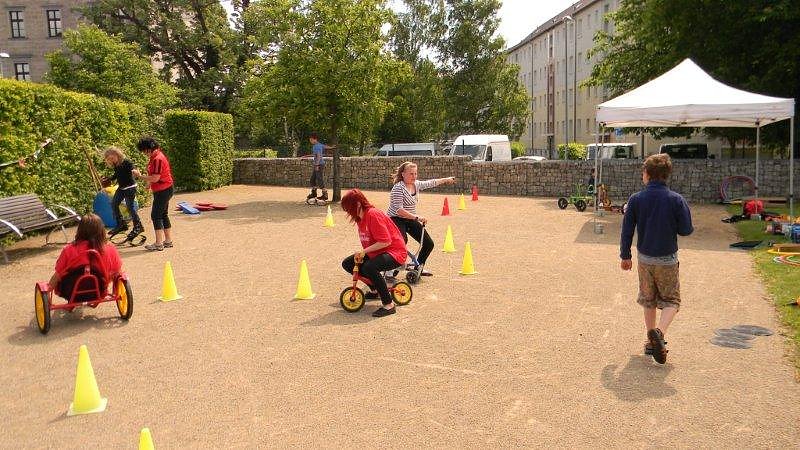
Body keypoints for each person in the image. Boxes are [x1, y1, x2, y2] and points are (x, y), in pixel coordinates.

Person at [620, 154, 693, 364]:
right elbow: (686, 230)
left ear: (647, 174)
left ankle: (651, 341)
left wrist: (625, 256)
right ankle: (659, 333)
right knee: (672, 300)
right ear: (666, 175)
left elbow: (627, 231)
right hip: (667, 259)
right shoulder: (676, 200)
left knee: (648, 299)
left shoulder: (636, 199)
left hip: (645, 259)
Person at [340, 189, 408, 318]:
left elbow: (386, 241)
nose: (347, 211)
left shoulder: (373, 214)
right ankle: (375, 288)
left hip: (395, 252)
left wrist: (363, 252)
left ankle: (389, 305)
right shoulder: (360, 218)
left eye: (348, 207)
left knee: (369, 267)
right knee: (348, 263)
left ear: (358, 204)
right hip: (378, 252)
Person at [387, 162, 455, 275]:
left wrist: (446, 179)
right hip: (395, 218)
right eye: (411, 174)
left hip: (410, 219)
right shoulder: (398, 188)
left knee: (428, 243)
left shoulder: (416, 184)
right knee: (402, 241)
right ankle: (390, 269)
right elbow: (399, 210)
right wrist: (417, 217)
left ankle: (417, 267)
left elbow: (430, 183)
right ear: (403, 174)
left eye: (415, 174)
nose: (414, 176)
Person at [49, 213, 122, 301]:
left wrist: (47, 290)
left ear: (80, 230)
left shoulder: (68, 249)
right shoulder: (110, 249)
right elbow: (117, 273)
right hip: (100, 290)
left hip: (70, 292)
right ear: (101, 230)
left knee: (60, 275)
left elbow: (58, 274)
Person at [132, 137, 174, 251]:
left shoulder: (158, 159)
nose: (144, 153)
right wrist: (148, 184)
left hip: (163, 190)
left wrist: (139, 176)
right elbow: (153, 174)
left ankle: (158, 243)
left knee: (156, 215)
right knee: (163, 214)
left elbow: (156, 178)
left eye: (144, 151)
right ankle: (168, 241)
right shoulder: (155, 156)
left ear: (149, 148)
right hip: (163, 189)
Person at [102, 146, 143, 241]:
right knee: (114, 204)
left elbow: (133, 169)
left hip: (130, 187)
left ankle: (138, 226)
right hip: (122, 188)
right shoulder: (116, 165)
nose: (111, 160)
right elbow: (117, 174)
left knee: (130, 207)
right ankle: (121, 224)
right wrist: (109, 179)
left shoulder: (126, 162)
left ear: (117, 154)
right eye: (109, 159)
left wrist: (135, 172)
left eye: (112, 158)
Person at [306, 133, 334, 202]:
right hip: (318, 164)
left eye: (311, 140)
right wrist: (332, 147)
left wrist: (317, 165)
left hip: (319, 165)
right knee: (312, 179)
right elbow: (325, 146)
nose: (310, 141)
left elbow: (318, 156)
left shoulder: (316, 146)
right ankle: (314, 193)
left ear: (315, 139)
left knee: (319, 179)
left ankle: (325, 195)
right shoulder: (319, 145)